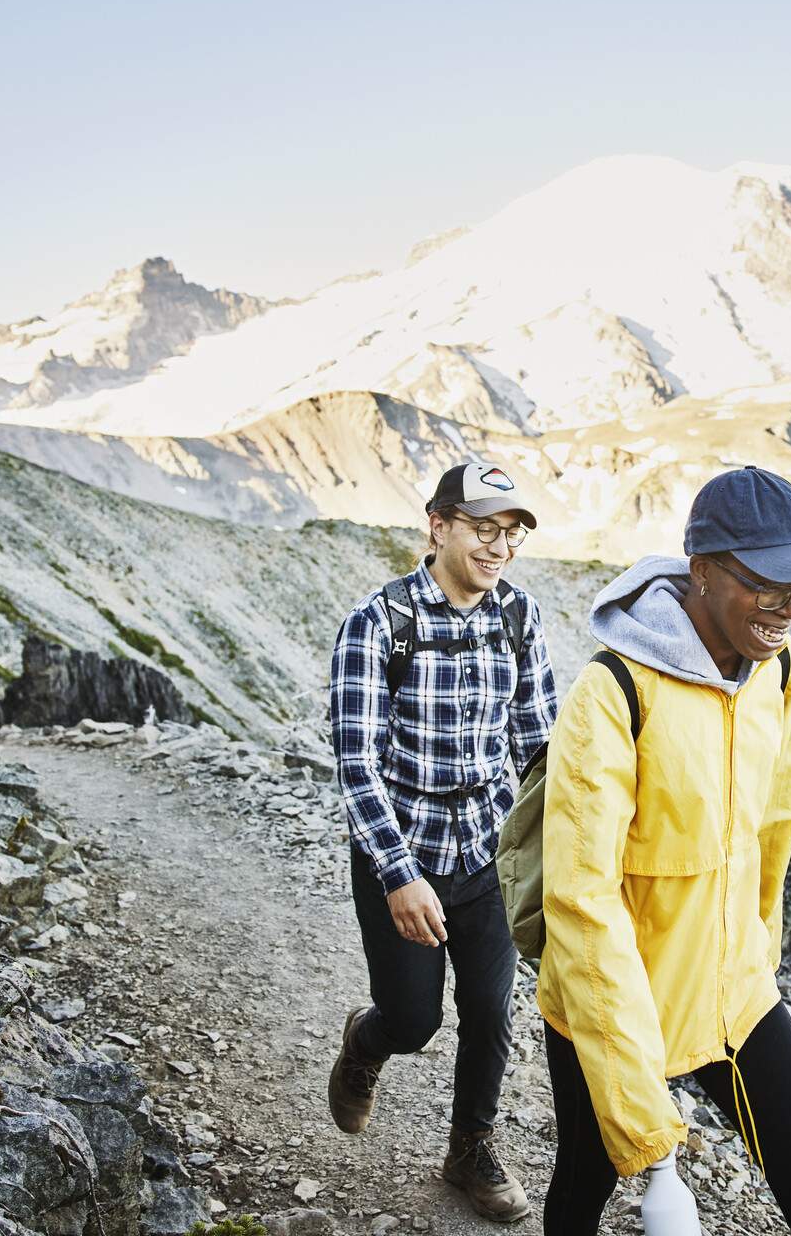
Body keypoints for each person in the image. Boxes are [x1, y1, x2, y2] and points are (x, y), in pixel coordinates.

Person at [536, 465, 791, 1234]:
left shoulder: (777, 669)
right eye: (771, 588)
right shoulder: (612, 693)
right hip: (615, 1001)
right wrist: (655, 1150)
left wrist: (760, 952)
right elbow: (582, 906)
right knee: (581, 1192)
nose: (789, 612)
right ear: (704, 570)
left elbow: (774, 824)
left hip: (736, 992)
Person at [326, 461, 558, 1224]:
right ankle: (366, 1042)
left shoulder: (518, 617)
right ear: (439, 524)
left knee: (493, 1010)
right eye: (484, 529)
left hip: (490, 852)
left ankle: (469, 1150)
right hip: (404, 853)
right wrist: (398, 874)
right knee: (415, 1019)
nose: (499, 548)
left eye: (512, 533)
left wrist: (564, 837)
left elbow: (537, 742)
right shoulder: (378, 622)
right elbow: (356, 763)